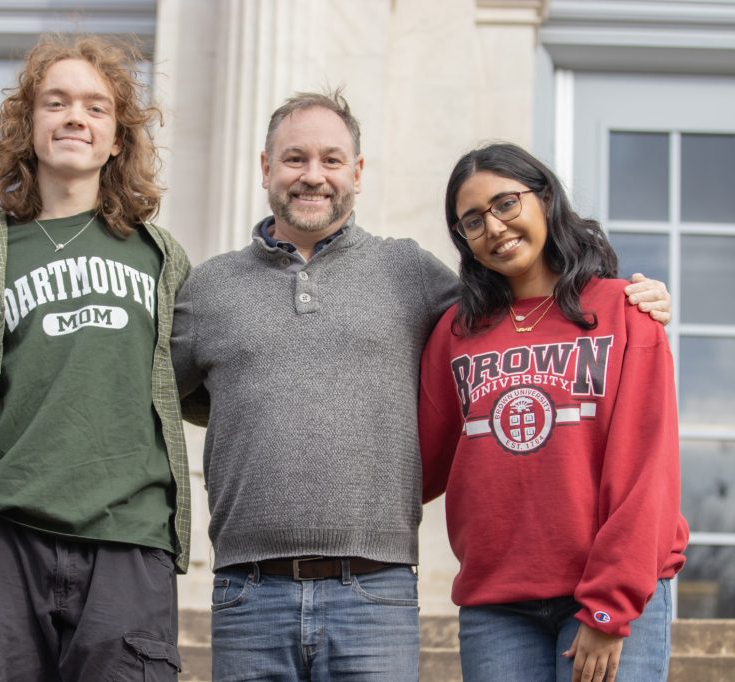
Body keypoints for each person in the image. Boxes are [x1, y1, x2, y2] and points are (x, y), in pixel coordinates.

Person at [170, 92, 672, 681]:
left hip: (391, 593)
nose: (313, 175)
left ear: (357, 173)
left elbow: (642, 458)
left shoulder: (415, 275)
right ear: (265, 168)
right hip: (270, 590)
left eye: (332, 160)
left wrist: (640, 297)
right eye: (294, 159)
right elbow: (165, 393)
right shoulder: (211, 290)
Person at [0, 35, 191, 681]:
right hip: (5, 543)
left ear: (118, 137)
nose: (74, 117)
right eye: (55, 102)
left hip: (131, 540)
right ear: (26, 126)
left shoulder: (162, 258)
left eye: (96, 108)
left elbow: (201, 380)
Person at [418, 142, 689, 682]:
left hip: (608, 593)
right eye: (472, 221)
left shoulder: (625, 312)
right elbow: (420, 463)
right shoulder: (456, 332)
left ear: (544, 199)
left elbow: (647, 470)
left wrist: (610, 604)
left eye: (506, 204)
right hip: (496, 605)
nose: (493, 228)